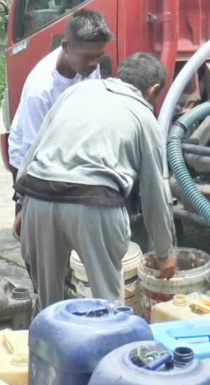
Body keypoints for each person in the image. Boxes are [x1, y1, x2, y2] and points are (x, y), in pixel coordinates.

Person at [16, 53, 177, 309]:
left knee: (49, 306)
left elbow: (37, 146)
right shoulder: (144, 117)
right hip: (94, 203)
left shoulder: (77, 92)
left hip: (39, 196)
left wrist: (22, 204)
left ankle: (45, 347)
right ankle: (108, 347)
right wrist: (163, 252)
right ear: (154, 90)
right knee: (108, 307)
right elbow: (154, 193)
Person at [8, 9, 113, 179]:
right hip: (30, 159)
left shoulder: (89, 65)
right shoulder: (41, 90)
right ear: (66, 47)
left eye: (99, 56)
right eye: (88, 57)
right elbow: (36, 150)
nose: (95, 63)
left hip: (65, 148)